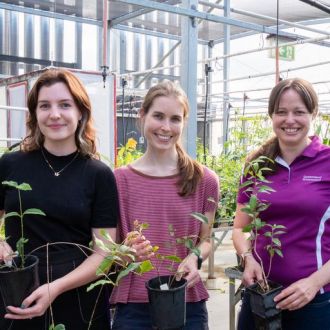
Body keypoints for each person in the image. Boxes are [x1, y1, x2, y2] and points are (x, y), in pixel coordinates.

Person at [0, 68, 118, 329]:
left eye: (65, 104)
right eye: (45, 106)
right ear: (35, 114)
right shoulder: (10, 165)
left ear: (80, 112)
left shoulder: (98, 174)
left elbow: (105, 254)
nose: (54, 114)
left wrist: (56, 288)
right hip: (17, 291)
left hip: (78, 296)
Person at [110, 80, 219, 330]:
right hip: (134, 306)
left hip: (186, 303)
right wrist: (125, 252)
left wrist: (194, 258)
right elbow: (107, 249)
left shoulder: (204, 180)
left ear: (184, 122)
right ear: (142, 116)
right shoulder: (119, 180)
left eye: (175, 119)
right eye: (158, 116)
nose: (166, 127)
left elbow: (207, 239)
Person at [233, 78, 330, 330]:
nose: (290, 120)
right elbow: (240, 227)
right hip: (260, 295)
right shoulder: (257, 164)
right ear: (271, 116)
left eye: (299, 112)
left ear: (313, 114)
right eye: (281, 112)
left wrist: (314, 283)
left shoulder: (327, 162)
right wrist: (248, 258)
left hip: (315, 301)